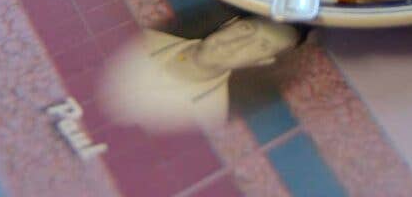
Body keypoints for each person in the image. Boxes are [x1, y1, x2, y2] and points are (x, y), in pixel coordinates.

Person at [98, 16, 301, 132]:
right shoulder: (128, 41)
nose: (238, 43)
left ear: (263, 62)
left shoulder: (205, 121)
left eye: (262, 46)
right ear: (229, 23)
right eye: (245, 28)